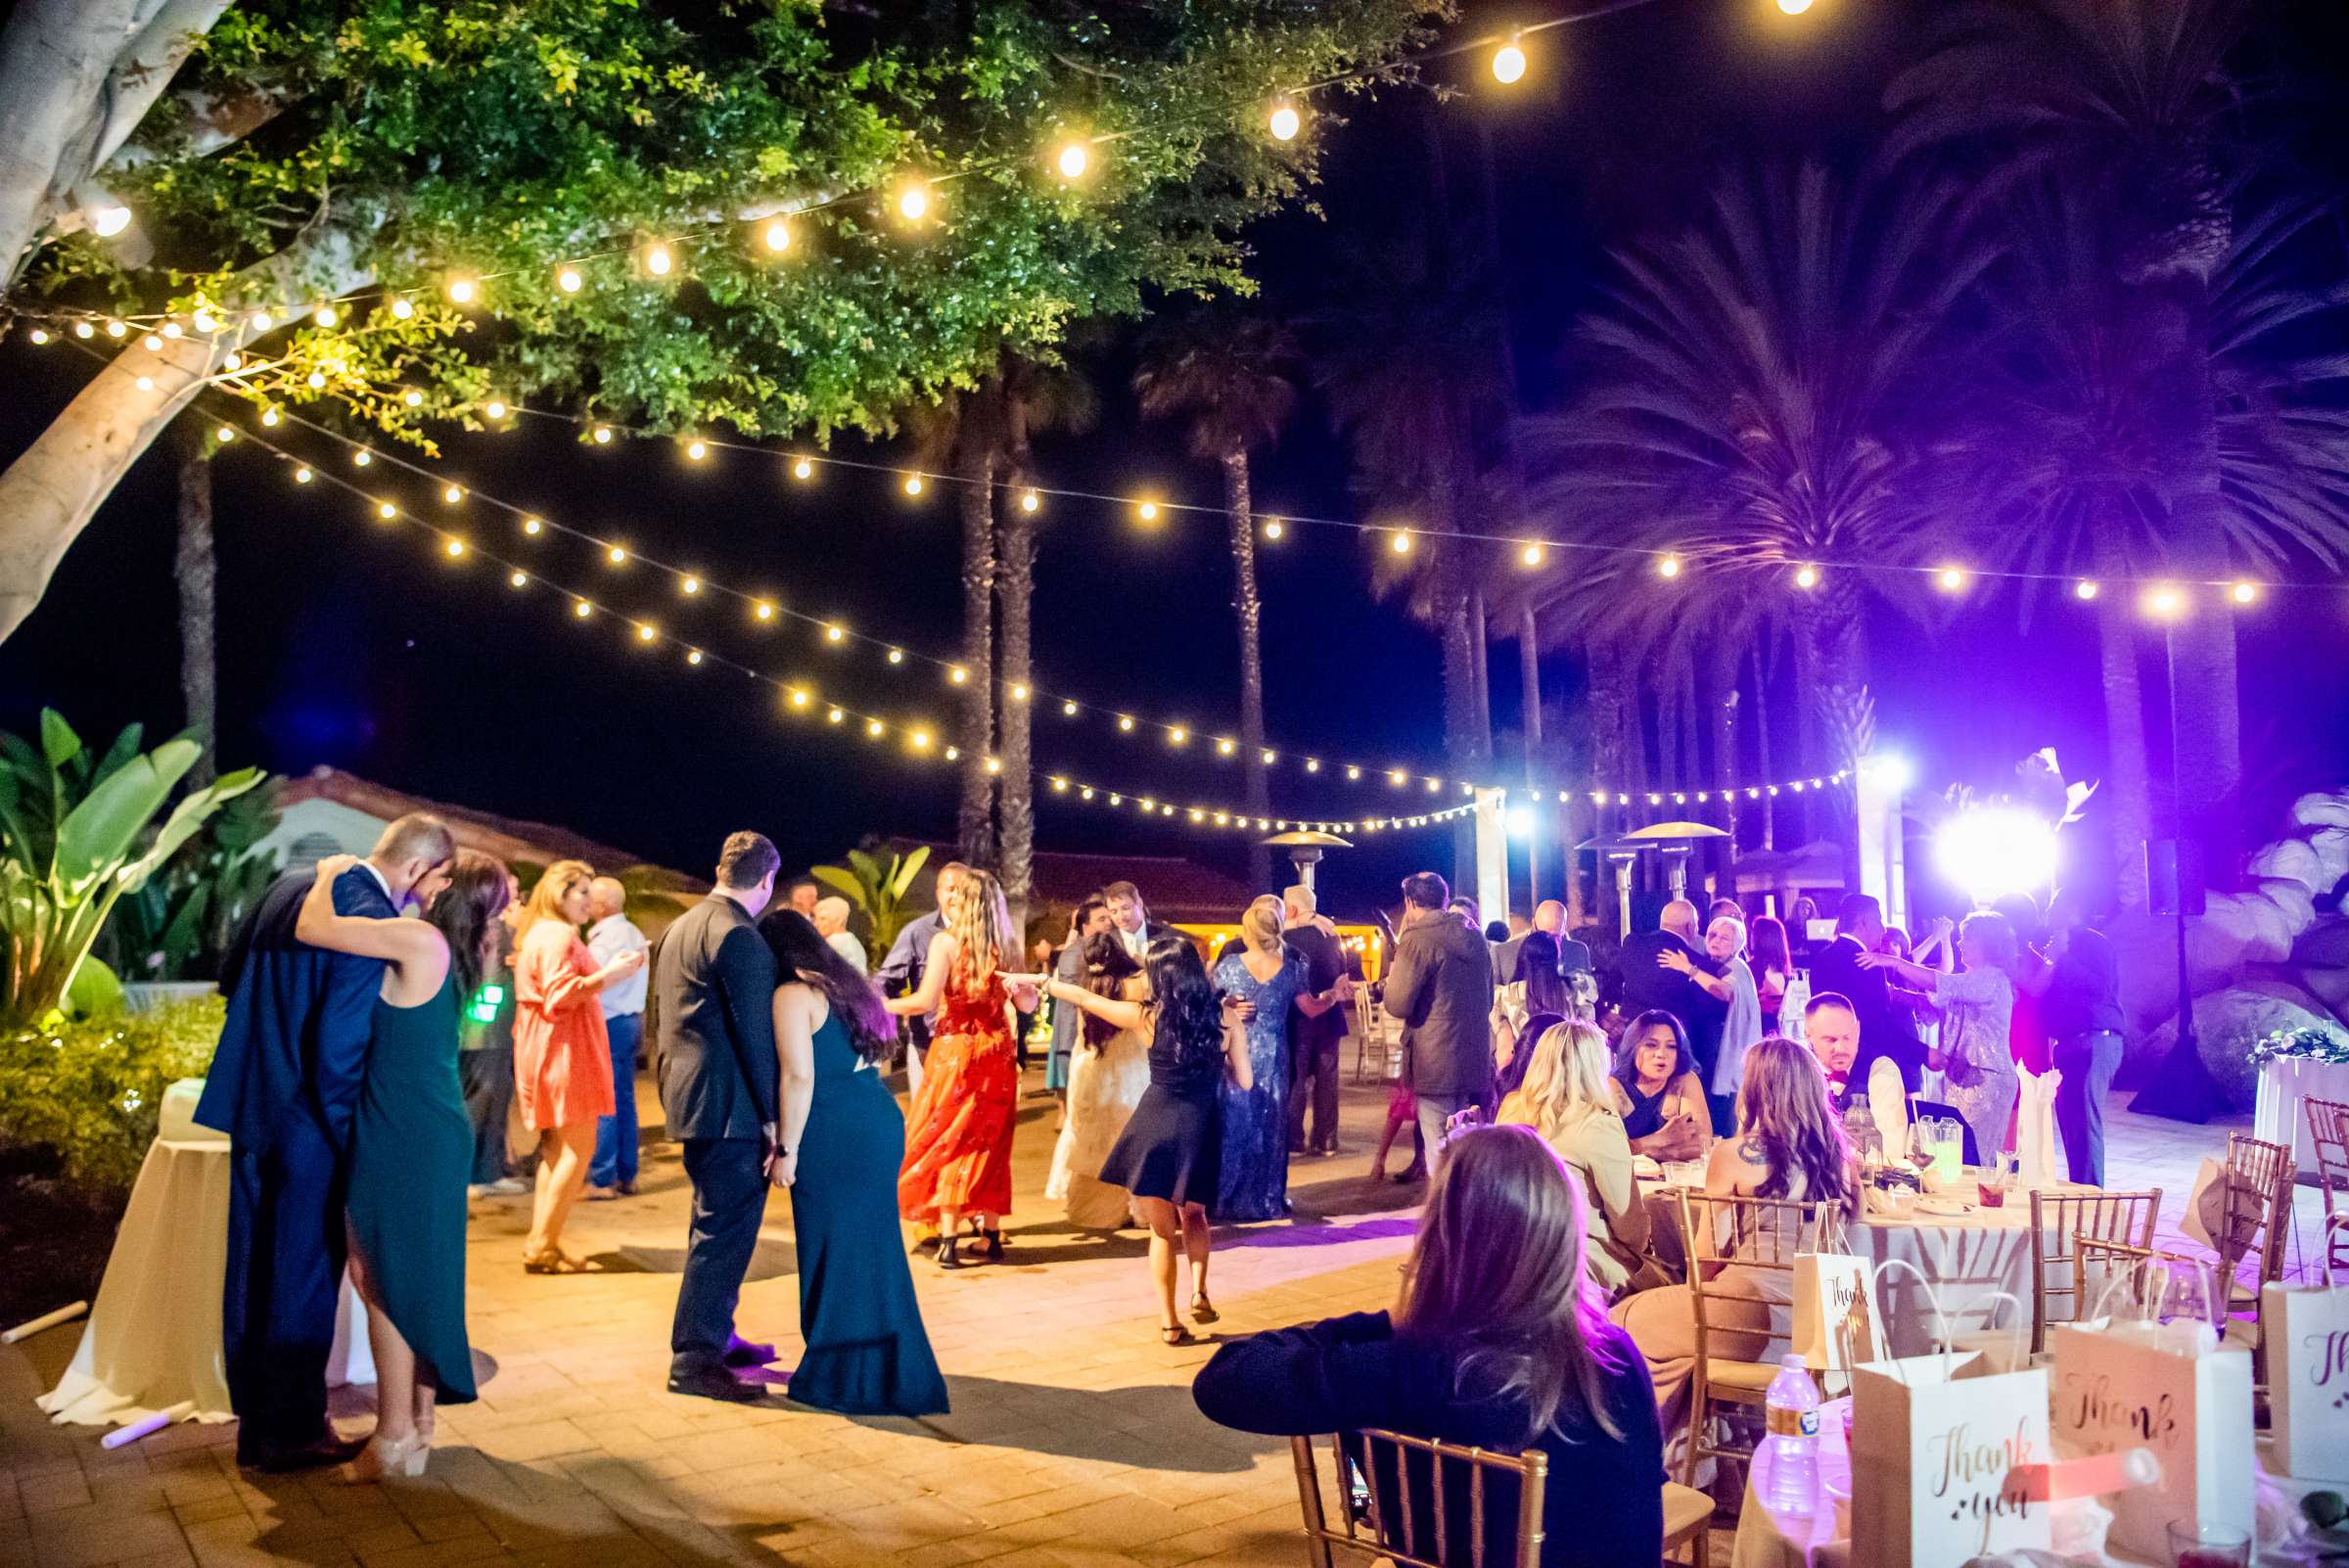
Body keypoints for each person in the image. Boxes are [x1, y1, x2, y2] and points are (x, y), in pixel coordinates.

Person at [1193, 1125, 1666, 1568]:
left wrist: (1381, 1322)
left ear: (1443, 1237)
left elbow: (1223, 1379)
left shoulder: (1420, 1367)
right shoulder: (1618, 1355)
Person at [197, 814, 455, 1472]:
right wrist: (352, 1139)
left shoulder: (288, 886)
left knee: (253, 1271)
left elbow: (230, 980)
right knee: (303, 1279)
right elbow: (340, 1045)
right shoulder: (368, 913)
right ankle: (289, 1432)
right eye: (433, 882)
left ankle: (256, 1425)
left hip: (255, 1105)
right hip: (314, 1124)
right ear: (416, 868)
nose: (427, 897)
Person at [293, 850, 506, 1479]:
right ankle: (417, 1428)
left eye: (436, 875)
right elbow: (477, 1033)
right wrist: (492, 967)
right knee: (414, 1276)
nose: (421, 880)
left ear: (444, 890)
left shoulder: (416, 940)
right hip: (431, 1125)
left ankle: (392, 1438)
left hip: (403, 1129)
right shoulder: (461, 955)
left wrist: (331, 872)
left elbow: (312, 928)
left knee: (380, 1276)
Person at [753, 908, 948, 1417]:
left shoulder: (792, 995)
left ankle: (844, 1373)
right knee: (873, 1250)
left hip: (831, 1132)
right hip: (877, 1120)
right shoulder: (848, 987)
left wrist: (786, 1151)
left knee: (832, 1252)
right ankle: (887, 1367)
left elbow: (798, 1077)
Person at [1611, 1036, 1859, 1433]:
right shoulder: (1844, 1161)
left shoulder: (1733, 1155)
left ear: (1757, 1088)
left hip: (1748, 1317)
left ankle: (1643, 1462)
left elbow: (1704, 1263)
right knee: (1685, 1353)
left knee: (1615, 1326)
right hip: (1819, 1327)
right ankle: (1716, 1462)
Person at [1023, 933, 1254, 1343]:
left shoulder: (1146, 1017)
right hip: (1200, 1129)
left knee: (1161, 1233)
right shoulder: (1226, 1017)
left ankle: (1169, 1322)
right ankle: (1199, 1290)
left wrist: (1042, 983)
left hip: (1154, 1128)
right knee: (1196, 1217)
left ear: (1159, 976)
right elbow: (1247, 1082)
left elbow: (1086, 1000)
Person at [648, 832, 784, 1402]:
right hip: (729, 1106)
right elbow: (755, 1034)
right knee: (724, 1232)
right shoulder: (739, 936)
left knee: (711, 1224)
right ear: (767, 880)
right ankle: (695, 1359)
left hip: (689, 1092)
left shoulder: (681, 926)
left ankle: (714, 1335)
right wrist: (775, 1117)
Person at [892, 868, 1037, 1269]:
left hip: (956, 1052)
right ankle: (991, 1236)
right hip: (997, 1051)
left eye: (956, 895)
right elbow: (1027, 1005)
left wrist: (878, 1006)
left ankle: (950, 1240)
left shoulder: (946, 942)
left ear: (966, 902)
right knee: (993, 1140)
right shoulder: (1007, 944)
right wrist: (1017, 988)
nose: (949, 900)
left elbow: (924, 1001)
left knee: (951, 1139)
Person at [511, 861, 644, 1273]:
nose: (590, 901)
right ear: (559, 893)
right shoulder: (559, 934)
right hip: (565, 1047)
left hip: (547, 1043)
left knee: (555, 1151)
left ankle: (544, 1239)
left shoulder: (540, 932)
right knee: (577, 1149)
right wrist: (613, 973)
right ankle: (542, 1245)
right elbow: (560, 995)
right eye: (582, 891)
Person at [1497, 1022, 1657, 1298]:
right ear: (1596, 1067)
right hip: (1576, 1264)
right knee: (1674, 1281)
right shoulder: (1597, 1123)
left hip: (1513, 1257)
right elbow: (1629, 1225)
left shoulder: (1512, 1107)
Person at [1861, 910, 2021, 1176]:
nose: (1959, 944)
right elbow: (1932, 1004)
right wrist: (1893, 994)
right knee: (1956, 1153)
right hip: (1965, 1075)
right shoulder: (1972, 979)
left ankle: (1980, 1210)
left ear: (1988, 944)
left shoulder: (1992, 977)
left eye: (1966, 938)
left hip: (1987, 1079)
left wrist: (1894, 963)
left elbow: (1941, 984)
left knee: (1974, 1156)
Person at [1383, 871, 1497, 1169]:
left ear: (1410, 902)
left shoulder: (1418, 938)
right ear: (1444, 899)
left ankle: (1444, 1209)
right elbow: (1489, 997)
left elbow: (1397, 1003)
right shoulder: (1475, 935)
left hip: (1434, 1057)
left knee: (1437, 1141)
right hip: (1472, 1053)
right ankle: (1464, 1205)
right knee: (1462, 1137)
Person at [1212, 897, 1314, 1222]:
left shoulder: (1228, 967)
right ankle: (1268, 1196)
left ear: (1248, 931)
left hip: (1236, 1055)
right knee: (1270, 1124)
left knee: (1235, 1123)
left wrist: (1226, 1006)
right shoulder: (1293, 970)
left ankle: (1227, 1196)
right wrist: (1333, 996)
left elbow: (1206, 1005)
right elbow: (1309, 1008)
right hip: (1273, 1056)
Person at [1044, 933, 1152, 1228]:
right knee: (1136, 1140)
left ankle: (1100, 1211)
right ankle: (1144, 1210)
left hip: (1097, 1068)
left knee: (1098, 1142)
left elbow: (1083, 1036)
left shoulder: (1088, 987)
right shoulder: (1139, 982)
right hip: (1134, 1067)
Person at [2039, 888, 2125, 1184]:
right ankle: (2079, 1191)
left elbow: (2102, 988)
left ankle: (2091, 1201)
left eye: (2053, 905)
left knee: (2086, 1126)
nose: (2048, 912)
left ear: (2072, 907)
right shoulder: (2058, 948)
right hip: (2068, 1044)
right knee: (2071, 1125)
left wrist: (2062, 958)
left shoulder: (2092, 942)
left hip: (2095, 1039)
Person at [1618, 899, 1727, 1128]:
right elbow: (1714, 1013)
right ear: (1690, 927)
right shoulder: (1698, 965)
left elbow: (1615, 980)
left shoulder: (1631, 945)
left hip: (1631, 1041)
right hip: (1672, 1052)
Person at [1807, 894, 1927, 1092]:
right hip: (1865, 1069)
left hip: (1830, 1067)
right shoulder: (1868, 963)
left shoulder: (1822, 958)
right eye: (1879, 920)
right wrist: (1923, 1053)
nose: (1884, 929)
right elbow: (1877, 1024)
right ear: (1862, 923)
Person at [459, 869, 529, 1198]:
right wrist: (481, 1025)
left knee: (495, 1102)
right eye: (511, 890)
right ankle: (473, 1173)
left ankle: (488, 1170)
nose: (516, 897)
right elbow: (488, 983)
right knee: (482, 1100)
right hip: (489, 1033)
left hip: (493, 1030)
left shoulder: (491, 923)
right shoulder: (493, 925)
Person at [878, 860, 972, 1096]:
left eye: (964, 889)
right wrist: (877, 1010)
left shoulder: (988, 932)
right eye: (951, 889)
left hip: (976, 1045)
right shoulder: (918, 932)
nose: (957, 896)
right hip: (929, 1044)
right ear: (938, 893)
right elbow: (887, 980)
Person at [1662, 915, 1763, 1131]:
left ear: (1737, 944)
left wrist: (1687, 968)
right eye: (1712, 935)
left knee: (1724, 1118)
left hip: (1731, 1058)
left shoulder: (1736, 967)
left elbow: (1723, 991)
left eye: (1724, 938)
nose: (1715, 940)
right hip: (1719, 1056)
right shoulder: (1714, 966)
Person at [584, 876, 650, 1199]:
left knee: (604, 1099)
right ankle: (627, 1174)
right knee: (623, 1098)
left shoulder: (605, 940)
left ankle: (602, 1177)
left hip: (608, 1021)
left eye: (589, 897)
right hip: (630, 1020)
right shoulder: (633, 933)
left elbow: (592, 982)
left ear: (603, 905)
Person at [1281, 884, 1352, 1157]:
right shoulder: (1332, 937)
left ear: (1292, 909)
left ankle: (1294, 1140)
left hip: (1297, 1017)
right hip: (1329, 1016)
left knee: (1296, 1078)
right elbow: (1343, 974)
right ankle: (1327, 1139)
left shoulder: (1285, 939)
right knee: (1327, 1078)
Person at [1609, 1010, 1710, 1163]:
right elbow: (1606, 1150)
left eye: (1671, 1046)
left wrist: (1650, 1151)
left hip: (1673, 1180)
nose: (1661, 1054)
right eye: (1651, 1045)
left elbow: (1703, 1144)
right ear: (1633, 1048)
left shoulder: (1685, 1081)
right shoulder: (1613, 1086)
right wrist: (1661, 1139)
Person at [1045, 895, 1110, 1096]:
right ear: (1086, 926)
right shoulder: (1074, 954)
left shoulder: (1102, 949)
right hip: (1077, 1037)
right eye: (1102, 919)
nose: (1110, 923)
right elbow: (1074, 995)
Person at [1802, 992, 1864, 1112]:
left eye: (1847, 1037)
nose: (1840, 1048)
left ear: (1857, 1030)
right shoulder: (1795, 1074)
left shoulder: (1878, 1069)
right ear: (1808, 1036)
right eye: (1830, 1040)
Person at [1103, 879, 1175, 963]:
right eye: (1114, 912)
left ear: (1139, 904)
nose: (1121, 917)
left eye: (1125, 908)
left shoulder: (1167, 936)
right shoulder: (1107, 942)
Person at [1749, 914, 1792, 1036]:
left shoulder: (1750, 969)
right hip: (1776, 1032)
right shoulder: (1785, 973)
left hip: (1754, 1031)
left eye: (1753, 933)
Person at [810, 896, 867, 975]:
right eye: (815, 919)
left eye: (823, 919)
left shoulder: (835, 943)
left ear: (839, 921)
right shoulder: (850, 940)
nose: (815, 924)